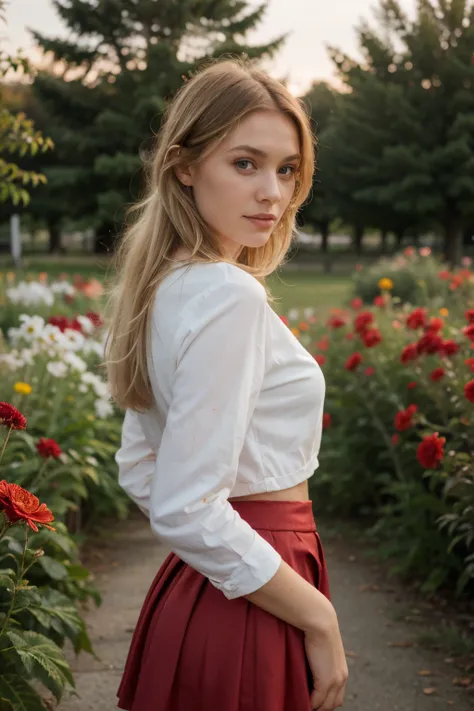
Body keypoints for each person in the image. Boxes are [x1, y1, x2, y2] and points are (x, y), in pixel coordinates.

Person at [104, 56, 348, 711]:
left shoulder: (166, 289)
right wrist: (318, 615)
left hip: (211, 583)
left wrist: (218, 551)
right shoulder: (227, 294)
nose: (272, 191)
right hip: (256, 583)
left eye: (286, 168)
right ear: (185, 166)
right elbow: (187, 505)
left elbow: (140, 465)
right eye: (245, 163)